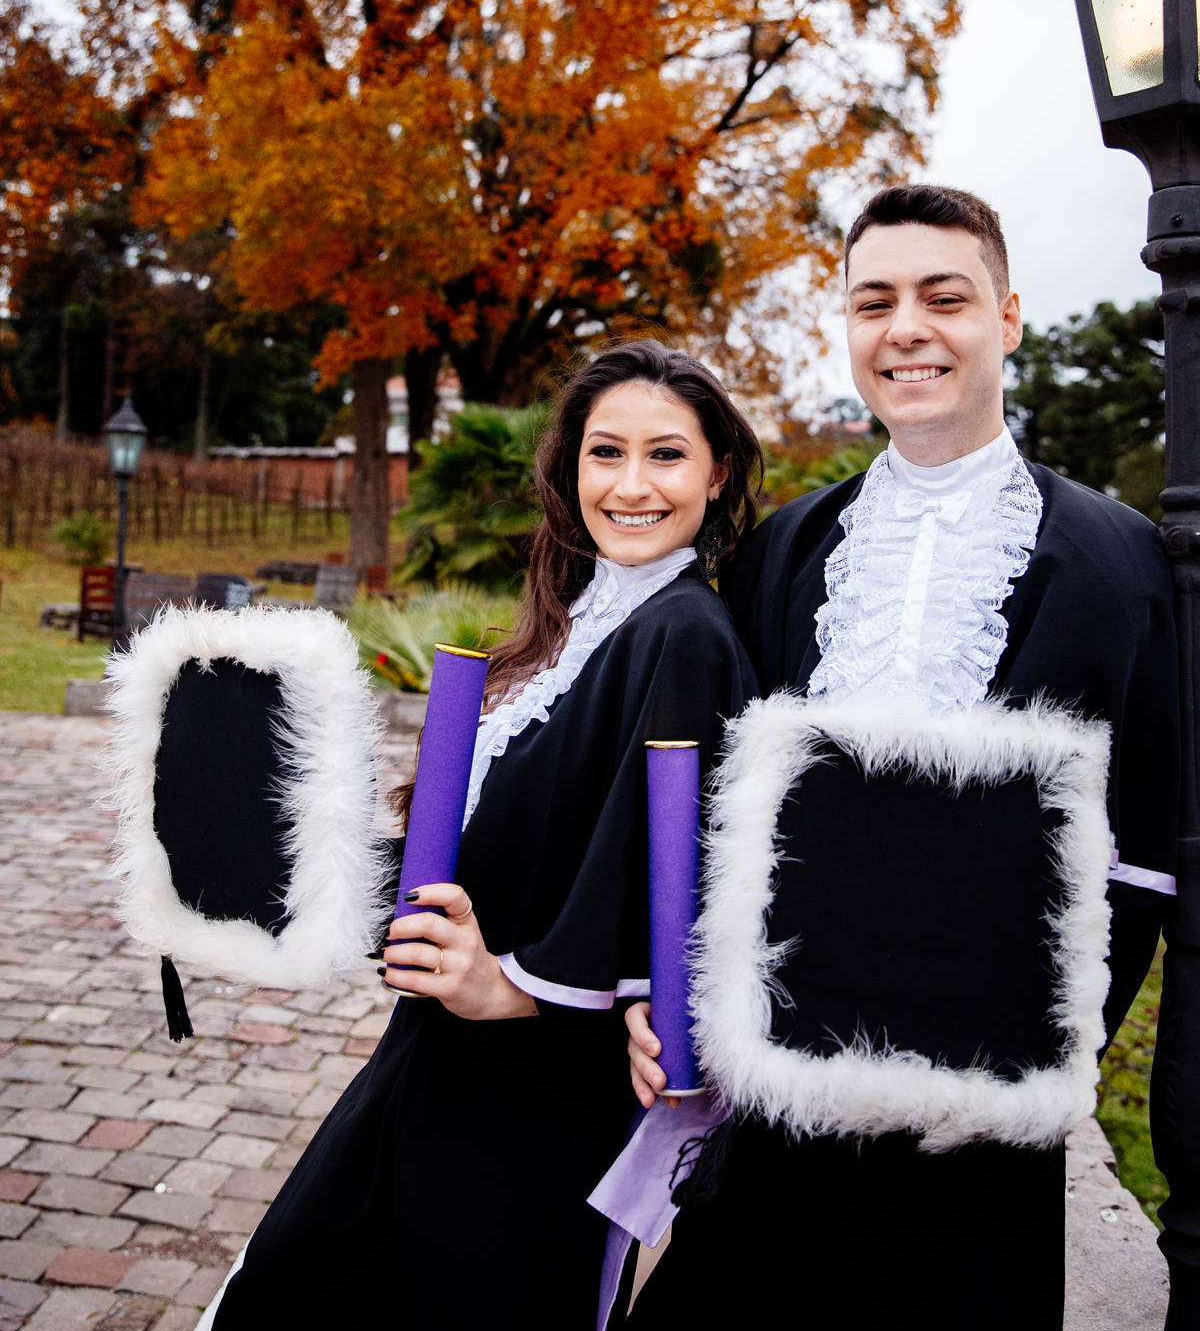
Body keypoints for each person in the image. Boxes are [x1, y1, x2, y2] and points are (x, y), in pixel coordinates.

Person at [624, 185, 1180, 1331]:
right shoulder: (783, 548)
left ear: (1009, 317)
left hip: (984, 1128)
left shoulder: (1124, 562)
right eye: (873, 302)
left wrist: (1044, 1048)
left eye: (944, 297)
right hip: (777, 1108)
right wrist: (674, 996)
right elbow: (719, 813)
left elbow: (1144, 852)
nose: (906, 330)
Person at [208, 341, 760, 1330]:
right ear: (570, 467)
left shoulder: (684, 634)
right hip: (433, 1047)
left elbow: (664, 868)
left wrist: (510, 985)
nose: (631, 485)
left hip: (533, 1082)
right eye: (606, 453)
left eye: (666, 456)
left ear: (717, 474)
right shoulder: (567, 624)